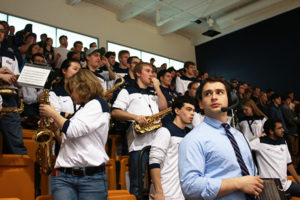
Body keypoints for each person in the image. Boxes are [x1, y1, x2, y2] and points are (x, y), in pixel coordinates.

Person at [178, 76, 263, 200]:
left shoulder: (239, 136)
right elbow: (190, 187)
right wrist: (237, 183)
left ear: (229, 99)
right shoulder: (193, 139)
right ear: (201, 104)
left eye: (219, 92)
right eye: (208, 94)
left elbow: (251, 174)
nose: (214, 97)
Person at [39, 69, 110, 200]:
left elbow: (73, 130)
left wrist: (53, 113)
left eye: (72, 91)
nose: (71, 96)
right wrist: (55, 130)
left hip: (90, 178)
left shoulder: (98, 104)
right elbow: (67, 139)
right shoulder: (81, 109)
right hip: (63, 175)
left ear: (83, 88)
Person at [111, 62, 167, 197]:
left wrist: (158, 88)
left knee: (158, 182)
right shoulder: (127, 90)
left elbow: (163, 108)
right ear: (138, 74)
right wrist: (135, 117)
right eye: (148, 71)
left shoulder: (153, 92)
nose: (152, 74)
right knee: (138, 183)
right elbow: (115, 112)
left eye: (153, 71)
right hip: (138, 144)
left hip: (156, 142)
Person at [149, 96, 195, 200]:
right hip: (165, 192)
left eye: (193, 110)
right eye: (188, 109)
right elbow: (154, 162)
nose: (192, 113)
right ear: (177, 110)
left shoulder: (190, 135)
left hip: (181, 193)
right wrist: (159, 192)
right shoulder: (165, 131)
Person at [251, 118, 300, 197]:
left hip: (286, 184)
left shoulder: (283, 142)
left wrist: (298, 180)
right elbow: (244, 145)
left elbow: (289, 164)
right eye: (279, 128)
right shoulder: (259, 142)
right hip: (270, 186)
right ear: (271, 131)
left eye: (282, 127)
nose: (283, 130)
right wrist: (258, 136)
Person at [0, 22, 27, 154]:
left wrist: (13, 77)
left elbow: (18, 80)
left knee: (15, 139)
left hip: (9, 97)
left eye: (2, 31)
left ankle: (20, 171)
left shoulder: (11, 54)